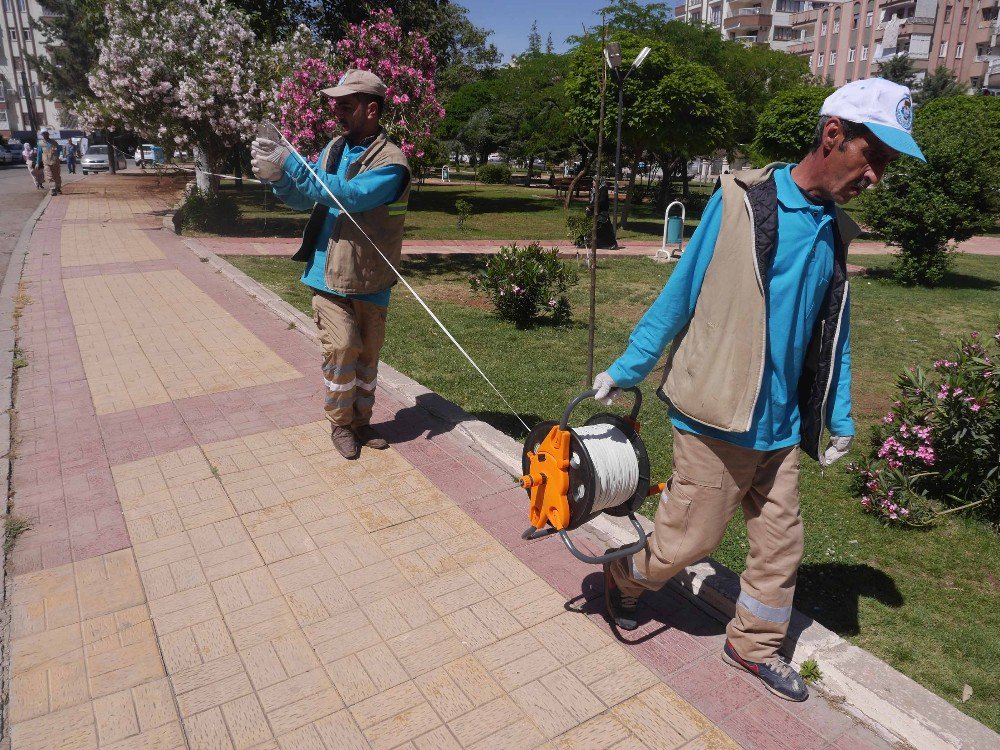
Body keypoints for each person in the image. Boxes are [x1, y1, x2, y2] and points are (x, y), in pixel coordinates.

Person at [592, 79, 925, 702]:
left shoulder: (832, 227)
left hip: (780, 427)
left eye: (886, 164)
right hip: (716, 417)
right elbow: (683, 288)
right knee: (689, 542)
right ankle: (626, 577)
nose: (877, 176)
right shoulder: (743, 201)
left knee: (781, 545)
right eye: (874, 156)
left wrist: (840, 414)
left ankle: (753, 647)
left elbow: (834, 331)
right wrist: (628, 367)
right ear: (833, 136)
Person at [250, 69, 409, 460]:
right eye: (334, 102)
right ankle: (341, 424)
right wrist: (279, 178)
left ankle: (361, 421)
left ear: (372, 109)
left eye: (345, 104)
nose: (335, 110)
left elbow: (350, 196)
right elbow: (308, 199)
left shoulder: (393, 163)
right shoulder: (334, 149)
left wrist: (293, 164)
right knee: (342, 349)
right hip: (327, 274)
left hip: (371, 277)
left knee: (367, 358)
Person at [36, 131, 62, 196]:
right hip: (46, 162)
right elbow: (39, 154)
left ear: (48, 134)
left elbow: (59, 150)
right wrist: (37, 162)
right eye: (43, 134)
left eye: (46, 134)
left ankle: (58, 187)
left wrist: (60, 156)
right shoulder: (40, 144)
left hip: (55, 162)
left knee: (56, 176)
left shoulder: (54, 142)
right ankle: (53, 189)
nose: (45, 135)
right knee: (49, 176)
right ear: (42, 135)